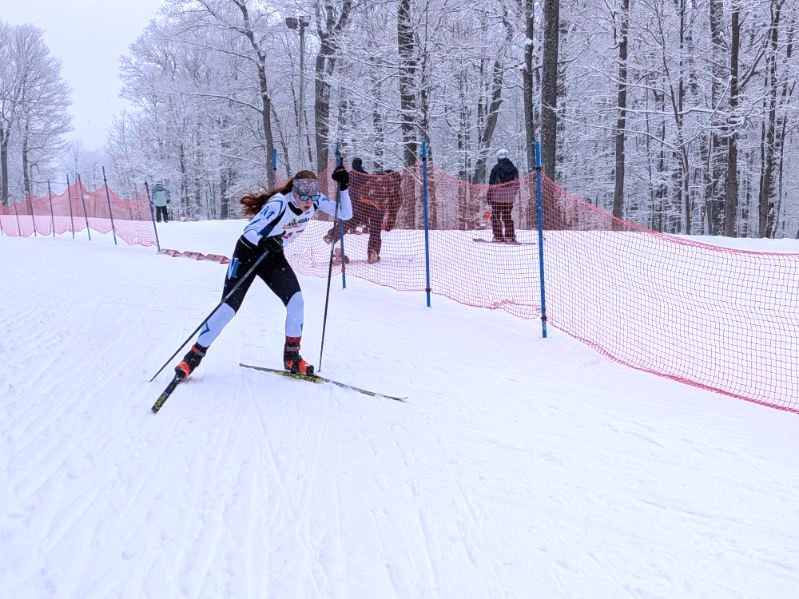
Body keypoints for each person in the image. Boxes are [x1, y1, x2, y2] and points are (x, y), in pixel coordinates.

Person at [174, 166, 352, 379]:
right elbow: (249, 231)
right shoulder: (279, 203)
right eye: (302, 196)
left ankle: (292, 357)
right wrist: (265, 241)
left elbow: (345, 213)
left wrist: (343, 188)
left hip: (272, 258)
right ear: (294, 191)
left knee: (296, 303)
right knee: (228, 309)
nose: (307, 202)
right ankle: (191, 359)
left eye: (311, 197)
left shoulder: (314, 199)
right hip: (249, 253)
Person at [323, 157, 385, 263]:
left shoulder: (349, 175)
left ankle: (331, 235)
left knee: (348, 222)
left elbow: (342, 184)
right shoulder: (366, 175)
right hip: (367, 205)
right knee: (375, 229)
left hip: (352, 204)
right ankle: (373, 252)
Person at [486, 149, 520, 242]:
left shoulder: (495, 168)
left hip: (496, 198)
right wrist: (512, 195)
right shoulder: (514, 169)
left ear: (498, 157)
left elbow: (491, 185)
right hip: (509, 199)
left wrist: (489, 197)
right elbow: (517, 185)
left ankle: (497, 236)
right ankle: (510, 236)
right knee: (507, 216)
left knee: (495, 216)